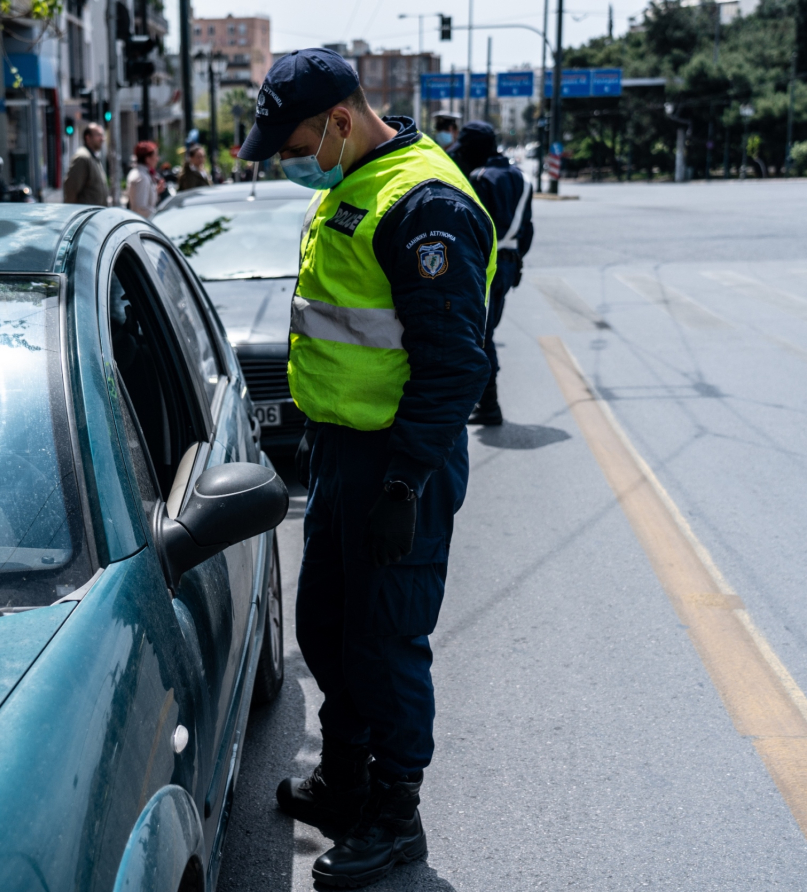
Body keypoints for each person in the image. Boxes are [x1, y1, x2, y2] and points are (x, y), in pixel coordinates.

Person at [237, 48, 496, 888]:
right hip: (343, 452)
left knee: (386, 643)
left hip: (398, 465)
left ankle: (396, 817)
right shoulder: (358, 180)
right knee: (327, 624)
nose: (288, 161)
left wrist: (404, 481)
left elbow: (454, 363)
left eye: (294, 143)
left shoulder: (424, 205)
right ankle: (345, 783)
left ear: (341, 123)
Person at [447, 121, 533, 426]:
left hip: (487, 264)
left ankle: (490, 404)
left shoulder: (480, 178)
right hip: (510, 262)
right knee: (486, 332)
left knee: (481, 335)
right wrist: (517, 261)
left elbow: (473, 227)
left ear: (474, 151)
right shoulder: (521, 177)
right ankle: (486, 402)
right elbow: (528, 229)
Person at [63, 123, 109, 206]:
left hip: (96, 214)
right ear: (88, 138)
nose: (102, 139)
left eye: (102, 135)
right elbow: (71, 190)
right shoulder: (82, 157)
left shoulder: (92, 157)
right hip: (87, 215)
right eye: (98, 135)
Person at [125, 141, 163, 219]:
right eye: (156, 155)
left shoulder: (142, 174)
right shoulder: (141, 177)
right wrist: (160, 216)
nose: (157, 159)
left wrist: (156, 191)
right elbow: (141, 208)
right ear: (147, 159)